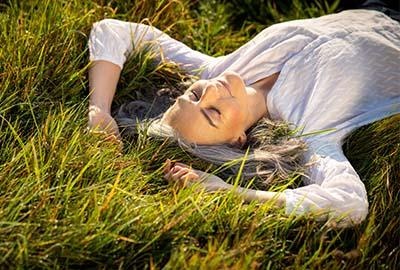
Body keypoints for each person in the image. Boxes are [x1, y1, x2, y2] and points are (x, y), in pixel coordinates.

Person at [87, 4, 400, 227]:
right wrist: (233, 193)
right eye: (212, 113)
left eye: (194, 95)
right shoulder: (308, 134)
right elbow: (350, 204)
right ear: (238, 140)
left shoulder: (217, 70)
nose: (210, 92)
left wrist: (99, 108)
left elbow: (113, 30)